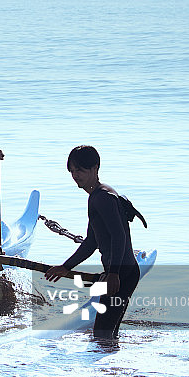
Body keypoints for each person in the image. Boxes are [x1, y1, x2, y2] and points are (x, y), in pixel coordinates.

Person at [45, 145, 141, 340]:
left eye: (80, 170)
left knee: (101, 335)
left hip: (121, 274)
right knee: (107, 334)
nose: (75, 175)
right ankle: (116, 358)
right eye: (72, 171)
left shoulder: (102, 197)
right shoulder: (98, 195)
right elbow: (91, 242)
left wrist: (113, 273)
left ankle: (111, 359)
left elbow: (119, 236)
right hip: (124, 272)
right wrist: (66, 267)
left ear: (95, 168)